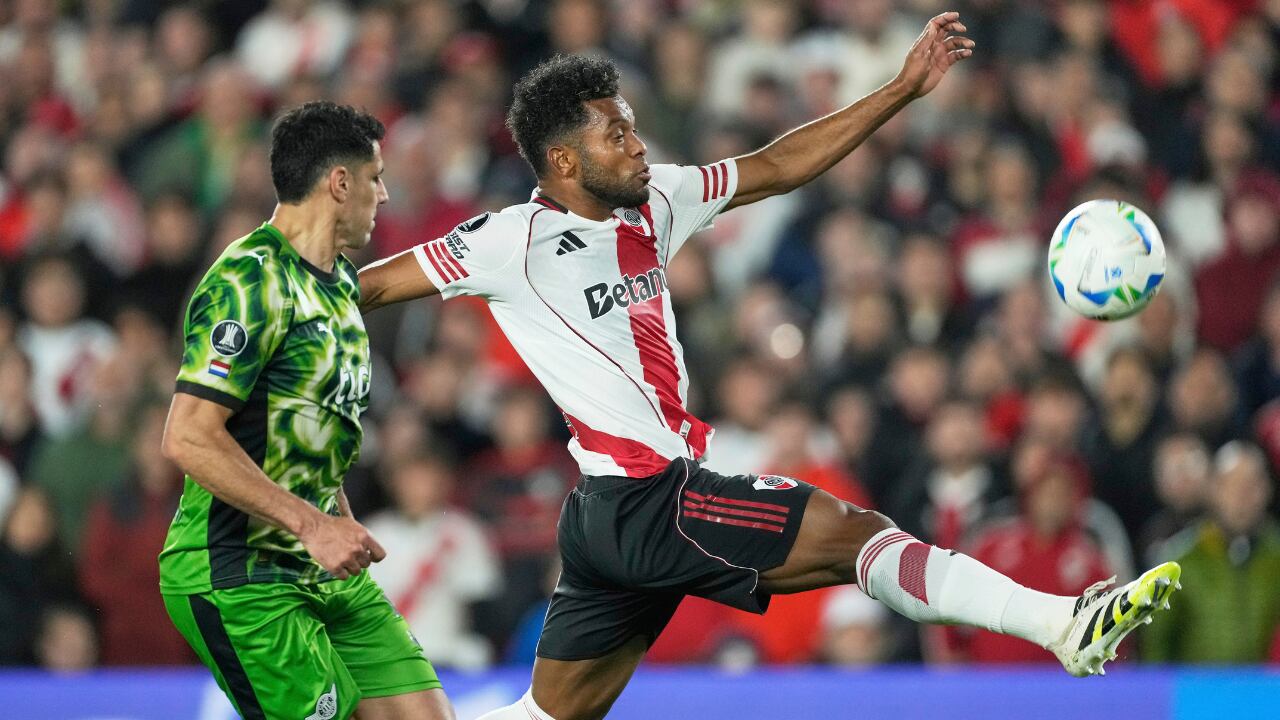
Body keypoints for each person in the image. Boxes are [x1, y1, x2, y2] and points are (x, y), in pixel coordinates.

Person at [359, 16, 1179, 720]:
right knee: (857, 537)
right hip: (651, 498)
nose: (638, 144)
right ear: (565, 163)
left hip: (610, 516)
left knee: (549, 712)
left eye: (634, 125)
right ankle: (1062, 626)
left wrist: (898, 91)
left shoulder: (656, 199)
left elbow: (779, 164)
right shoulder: (509, 241)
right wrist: (263, 306)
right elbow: (368, 285)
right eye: (617, 134)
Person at [158, 101, 451, 720]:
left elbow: (303, 419)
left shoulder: (340, 282)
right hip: (236, 575)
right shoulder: (247, 279)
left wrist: (334, 513)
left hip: (321, 568)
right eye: (376, 177)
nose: (385, 193)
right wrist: (313, 526)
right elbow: (188, 437)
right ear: (339, 183)